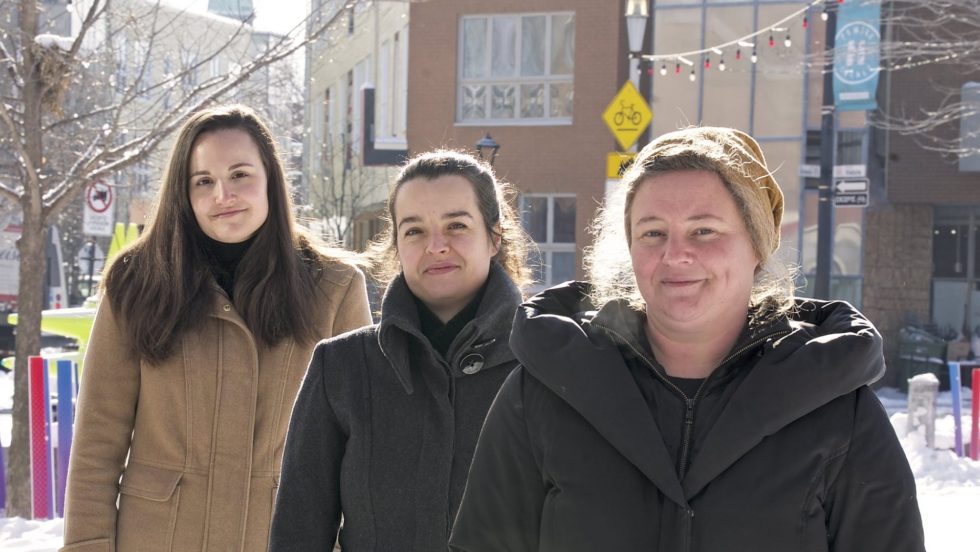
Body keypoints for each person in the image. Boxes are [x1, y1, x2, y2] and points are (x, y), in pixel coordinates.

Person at [450, 127, 925, 552]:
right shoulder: (544, 392)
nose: (676, 255)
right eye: (653, 232)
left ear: (757, 245)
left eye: (704, 230)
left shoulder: (837, 408)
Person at [61, 104, 372, 552]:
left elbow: (357, 452)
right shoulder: (138, 281)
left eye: (240, 175)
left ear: (270, 179)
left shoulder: (334, 288)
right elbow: (97, 441)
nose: (222, 194)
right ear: (183, 194)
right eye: (203, 181)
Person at [269, 150, 533, 551]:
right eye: (414, 231)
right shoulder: (341, 368)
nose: (436, 246)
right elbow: (297, 534)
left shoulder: (545, 365)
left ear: (494, 237)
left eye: (457, 225)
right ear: (396, 244)